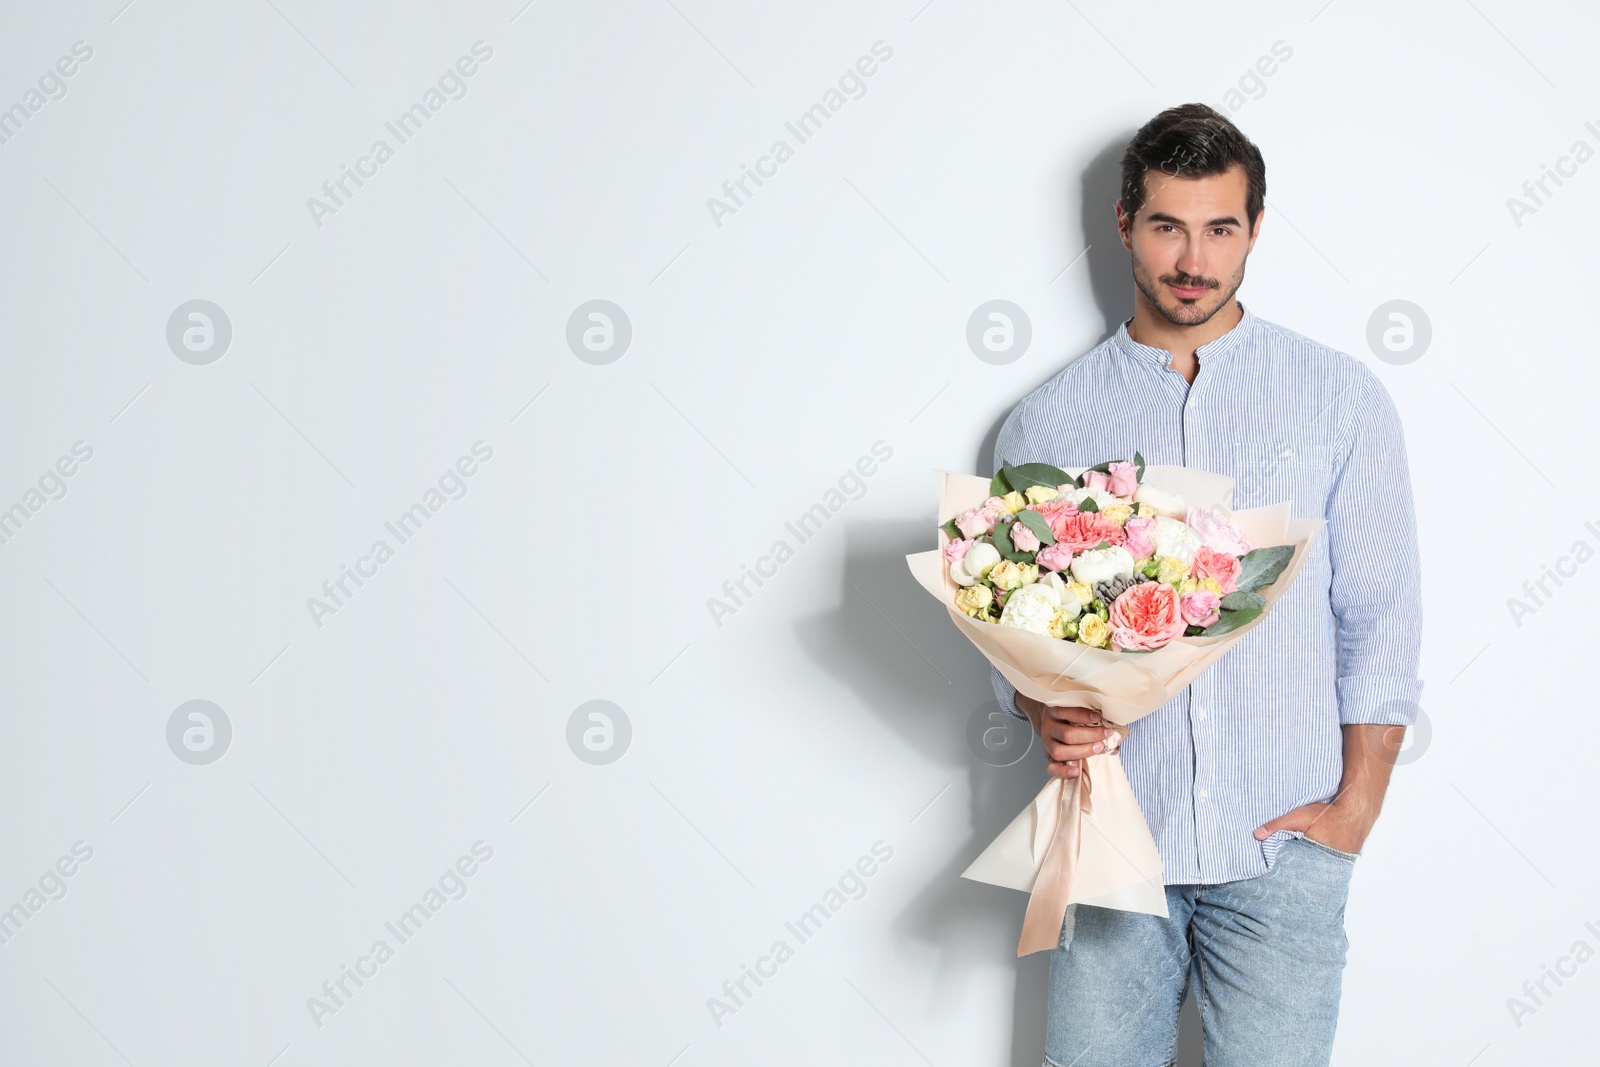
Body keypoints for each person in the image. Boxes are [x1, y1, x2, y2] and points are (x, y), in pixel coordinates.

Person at [989, 103, 1422, 1066]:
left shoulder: (1339, 398)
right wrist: (1033, 704)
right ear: (1123, 224)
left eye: (1220, 227)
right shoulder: (1047, 425)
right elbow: (1010, 624)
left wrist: (1353, 811)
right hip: (1111, 846)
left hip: (1284, 849)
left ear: (1255, 228)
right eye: (1167, 226)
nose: (1194, 258)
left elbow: (1381, 615)